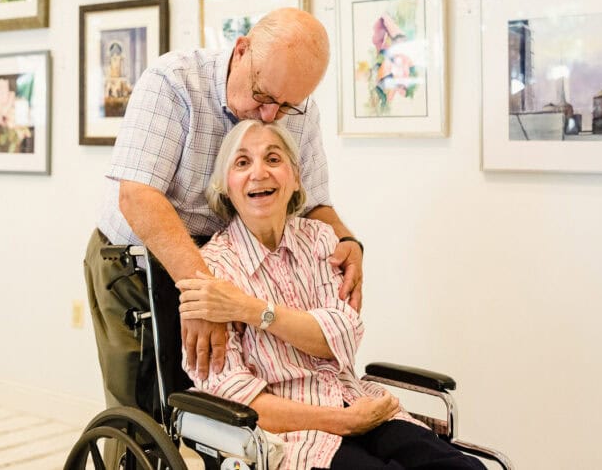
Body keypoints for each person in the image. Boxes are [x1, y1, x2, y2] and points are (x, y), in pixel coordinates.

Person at [84, 8, 365, 418]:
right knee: (148, 411)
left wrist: (348, 241)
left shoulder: (295, 107)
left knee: (224, 413)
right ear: (241, 50)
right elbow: (139, 196)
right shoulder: (174, 82)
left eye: (287, 106)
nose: (271, 116)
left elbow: (314, 204)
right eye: (265, 97)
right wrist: (203, 298)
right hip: (137, 258)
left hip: (231, 264)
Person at [178, 120, 485, 470]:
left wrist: (250, 309)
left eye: (273, 159)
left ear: (295, 178)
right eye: (242, 162)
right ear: (225, 188)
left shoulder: (322, 240)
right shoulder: (211, 271)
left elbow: (339, 337)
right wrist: (340, 422)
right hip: (290, 437)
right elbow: (237, 397)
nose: (259, 173)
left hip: (359, 404)